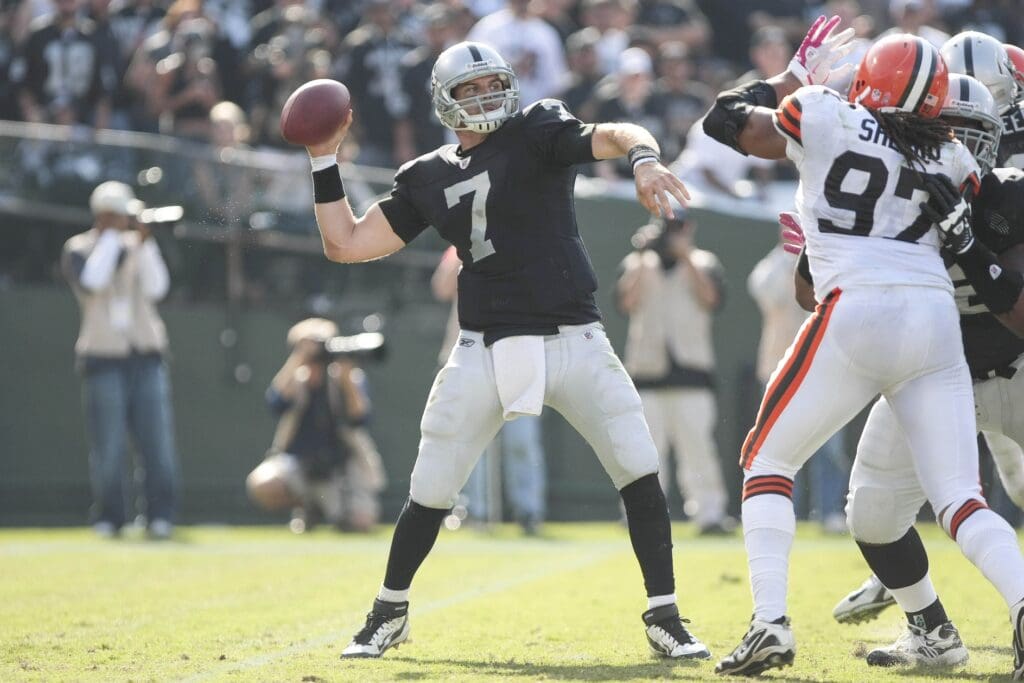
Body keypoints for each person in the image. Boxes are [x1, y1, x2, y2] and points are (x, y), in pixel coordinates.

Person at [301, 40, 709, 661]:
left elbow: (617, 131)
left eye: (492, 82)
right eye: (469, 89)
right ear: (445, 101)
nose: (485, 96)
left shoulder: (538, 130)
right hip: (483, 346)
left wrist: (645, 159)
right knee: (431, 486)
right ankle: (389, 610)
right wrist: (323, 159)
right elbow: (346, 243)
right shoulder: (426, 176)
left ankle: (665, 616)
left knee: (637, 466)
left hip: (574, 336)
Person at [701, 17, 1024, 676]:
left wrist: (792, 77)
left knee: (766, 459)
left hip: (859, 305)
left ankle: (769, 622)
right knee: (962, 497)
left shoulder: (825, 111)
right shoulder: (955, 159)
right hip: (934, 326)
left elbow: (727, 121)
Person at [816, 74, 1024, 670]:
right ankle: (931, 629)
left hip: (1016, 370)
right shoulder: (877, 196)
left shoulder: (1011, 197)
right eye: (939, 129)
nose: (951, 143)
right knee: (873, 514)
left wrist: (968, 247)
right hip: (932, 378)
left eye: (966, 133)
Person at [60, 181, 179, 539]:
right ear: (104, 215)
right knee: (108, 447)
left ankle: (159, 515)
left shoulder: (138, 246)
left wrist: (145, 243)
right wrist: (112, 237)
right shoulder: (80, 248)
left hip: (145, 357)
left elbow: (158, 288)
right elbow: (94, 281)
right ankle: (110, 517)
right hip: (103, 359)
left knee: (157, 444)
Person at [617, 214, 731, 534]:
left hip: (692, 373)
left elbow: (711, 299)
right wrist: (641, 256)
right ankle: (640, 515)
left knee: (698, 449)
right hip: (646, 372)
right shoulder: (637, 263)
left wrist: (686, 257)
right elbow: (625, 302)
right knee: (644, 452)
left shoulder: (704, 262)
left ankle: (709, 514)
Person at [432, 247, 547, 534]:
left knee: (521, 441)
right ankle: (474, 511)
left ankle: (528, 512)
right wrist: (462, 249)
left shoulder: (527, 240)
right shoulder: (462, 243)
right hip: (468, 355)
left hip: (517, 354)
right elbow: (442, 289)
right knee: (471, 443)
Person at [747, 220, 849, 533]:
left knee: (829, 449)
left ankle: (830, 511)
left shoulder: (830, 261)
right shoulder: (774, 264)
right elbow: (768, 292)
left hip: (824, 371)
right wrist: (789, 255)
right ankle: (778, 513)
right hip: (781, 369)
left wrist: (812, 254)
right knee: (777, 448)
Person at [246, 318, 387, 533]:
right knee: (262, 484)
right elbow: (275, 403)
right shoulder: (296, 379)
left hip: (342, 467)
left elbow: (360, 419)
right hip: (301, 466)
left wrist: (346, 379)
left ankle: (328, 510)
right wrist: (299, 359)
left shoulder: (349, 378)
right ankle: (308, 506)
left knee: (360, 522)